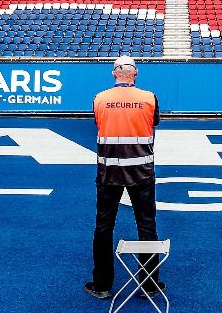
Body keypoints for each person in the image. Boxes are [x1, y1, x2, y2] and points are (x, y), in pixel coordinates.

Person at [84, 55, 166, 300]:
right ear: (136, 74)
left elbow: (99, 124)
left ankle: (101, 285)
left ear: (113, 73)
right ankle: (149, 285)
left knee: (104, 226)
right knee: (147, 225)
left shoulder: (100, 98)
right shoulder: (149, 98)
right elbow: (155, 123)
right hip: (141, 172)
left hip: (109, 172)